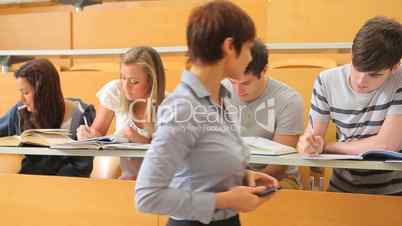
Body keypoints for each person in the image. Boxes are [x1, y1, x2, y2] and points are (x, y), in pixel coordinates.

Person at [135, 1, 279, 226]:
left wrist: (242, 176)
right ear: (229, 47)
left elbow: (203, 166)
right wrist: (223, 199)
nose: (251, 57)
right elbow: (147, 196)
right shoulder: (183, 108)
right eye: (249, 47)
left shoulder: (218, 98)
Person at [297, 16, 402, 195]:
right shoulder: (326, 81)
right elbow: (313, 136)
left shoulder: (399, 80)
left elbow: (386, 145)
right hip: (341, 187)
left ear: (395, 67)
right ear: (352, 53)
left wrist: (328, 147)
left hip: (394, 192)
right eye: (356, 67)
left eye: (374, 75)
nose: (361, 81)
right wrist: (308, 144)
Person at [222, 39, 304, 189]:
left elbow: (280, 165)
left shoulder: (289, 100)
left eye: (246, 83)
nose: (238, 90)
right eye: (233, 82)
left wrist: (245, 182)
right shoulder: (219, 91)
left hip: (278, 178)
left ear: (264, 70)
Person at [77, 46, 165, 180]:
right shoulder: (115, 90)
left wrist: (141, 140)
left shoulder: (169, 106)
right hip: (124, 179)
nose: (125, 86)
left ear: (152, 81)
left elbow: (170, 155)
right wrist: (88, 135)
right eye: (123, 77)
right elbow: (98, 132)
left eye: (134, 82)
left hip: (158, 181)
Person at [0, 59, 94, 177]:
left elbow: (82, 168)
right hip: (27, 183)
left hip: (68, 187)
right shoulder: (20, 111)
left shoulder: (81, 114)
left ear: (43, 92)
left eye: (26, 93)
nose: (22, 99)